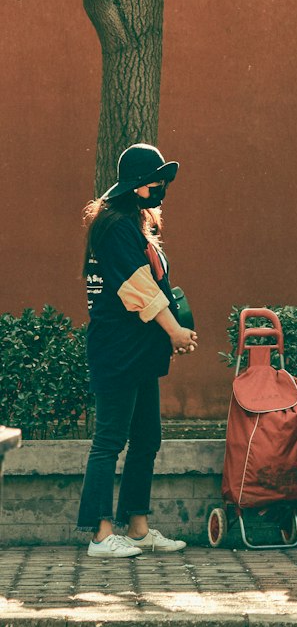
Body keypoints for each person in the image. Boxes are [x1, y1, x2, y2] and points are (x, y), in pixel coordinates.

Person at [77, 144, 198, 558]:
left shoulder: (132, 223)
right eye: (155, 182)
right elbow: (137, 287)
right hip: (117, 349)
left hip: (140, 348)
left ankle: (137, 528)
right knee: (109, 440)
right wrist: (174, 330)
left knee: (146, 438)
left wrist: (171, 332)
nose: (161, 188)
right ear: (134, 186)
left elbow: (154, 286)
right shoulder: (114, 226)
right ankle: (100, 534)